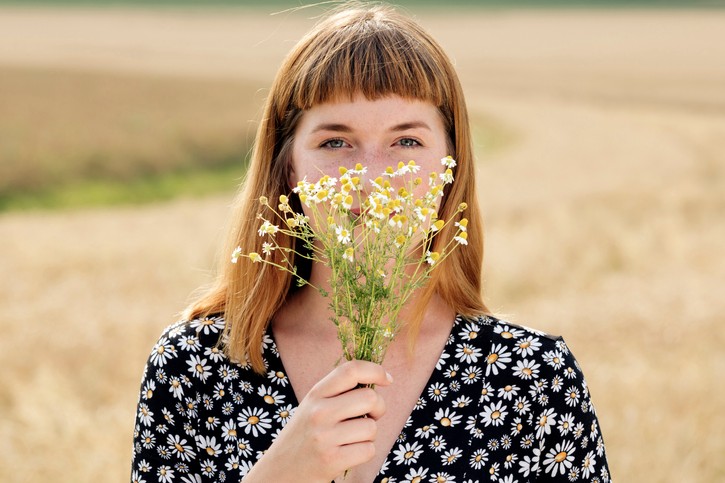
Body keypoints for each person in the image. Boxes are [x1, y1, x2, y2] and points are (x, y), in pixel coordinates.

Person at [130, 4, 612, 483]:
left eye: (406, 143)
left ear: (451, 167)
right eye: (336, 143)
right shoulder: (195, 368)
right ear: (288, 166)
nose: (373, 177)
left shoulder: (534, 380)